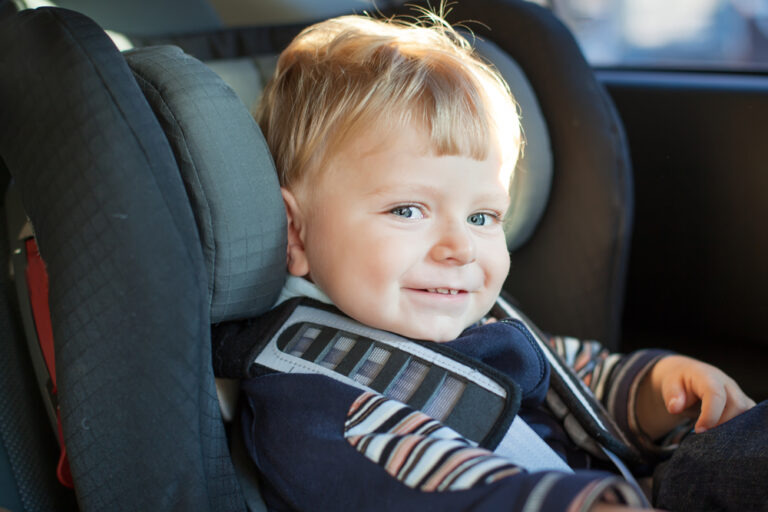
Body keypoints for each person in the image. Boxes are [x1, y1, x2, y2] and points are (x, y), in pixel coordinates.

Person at [230, 11, 756, 511]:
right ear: (295, 232)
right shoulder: (320, 407)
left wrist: (655, 390)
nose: (459, 247)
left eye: (482, 217)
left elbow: (567, 371)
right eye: (408, 209)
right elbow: (454, 487)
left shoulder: (475, 317)